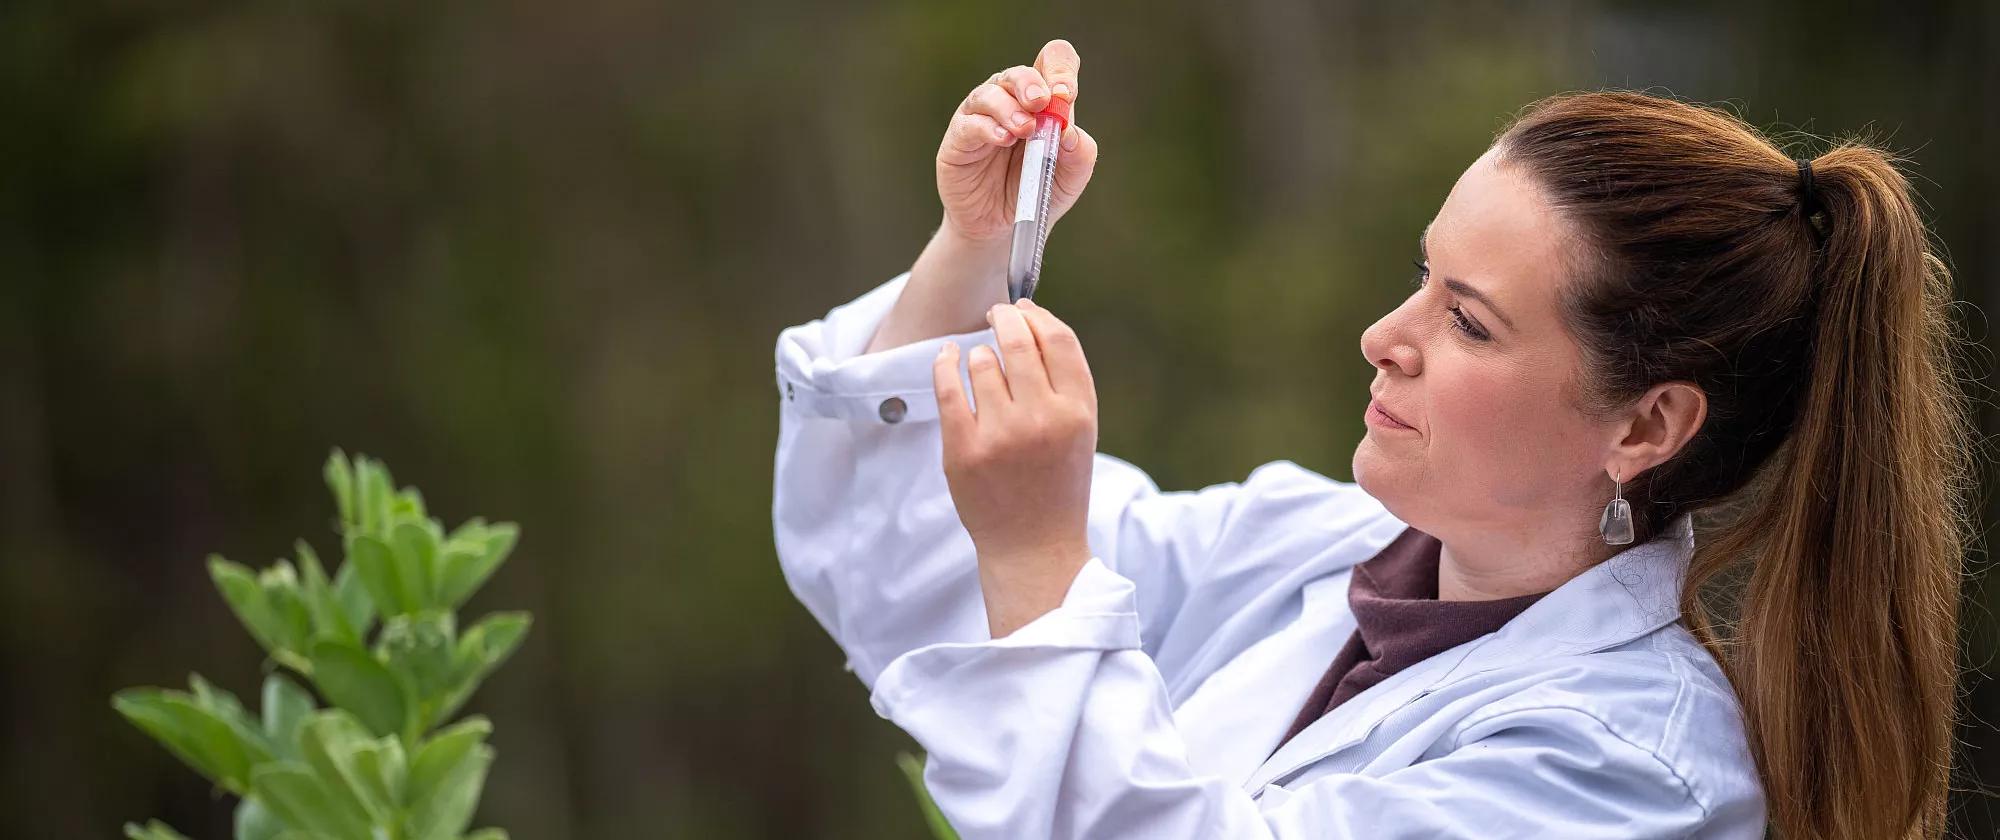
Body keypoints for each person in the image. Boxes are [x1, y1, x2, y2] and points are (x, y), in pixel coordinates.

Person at [770, 38, 1974, 840]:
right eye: (1419, 274)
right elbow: (892, 571)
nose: (1380, 337)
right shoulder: (1316, 549)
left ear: (1644, 424)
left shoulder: (1624, 774)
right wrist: (975, 248)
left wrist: (1040, 561)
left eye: (1466, 320)